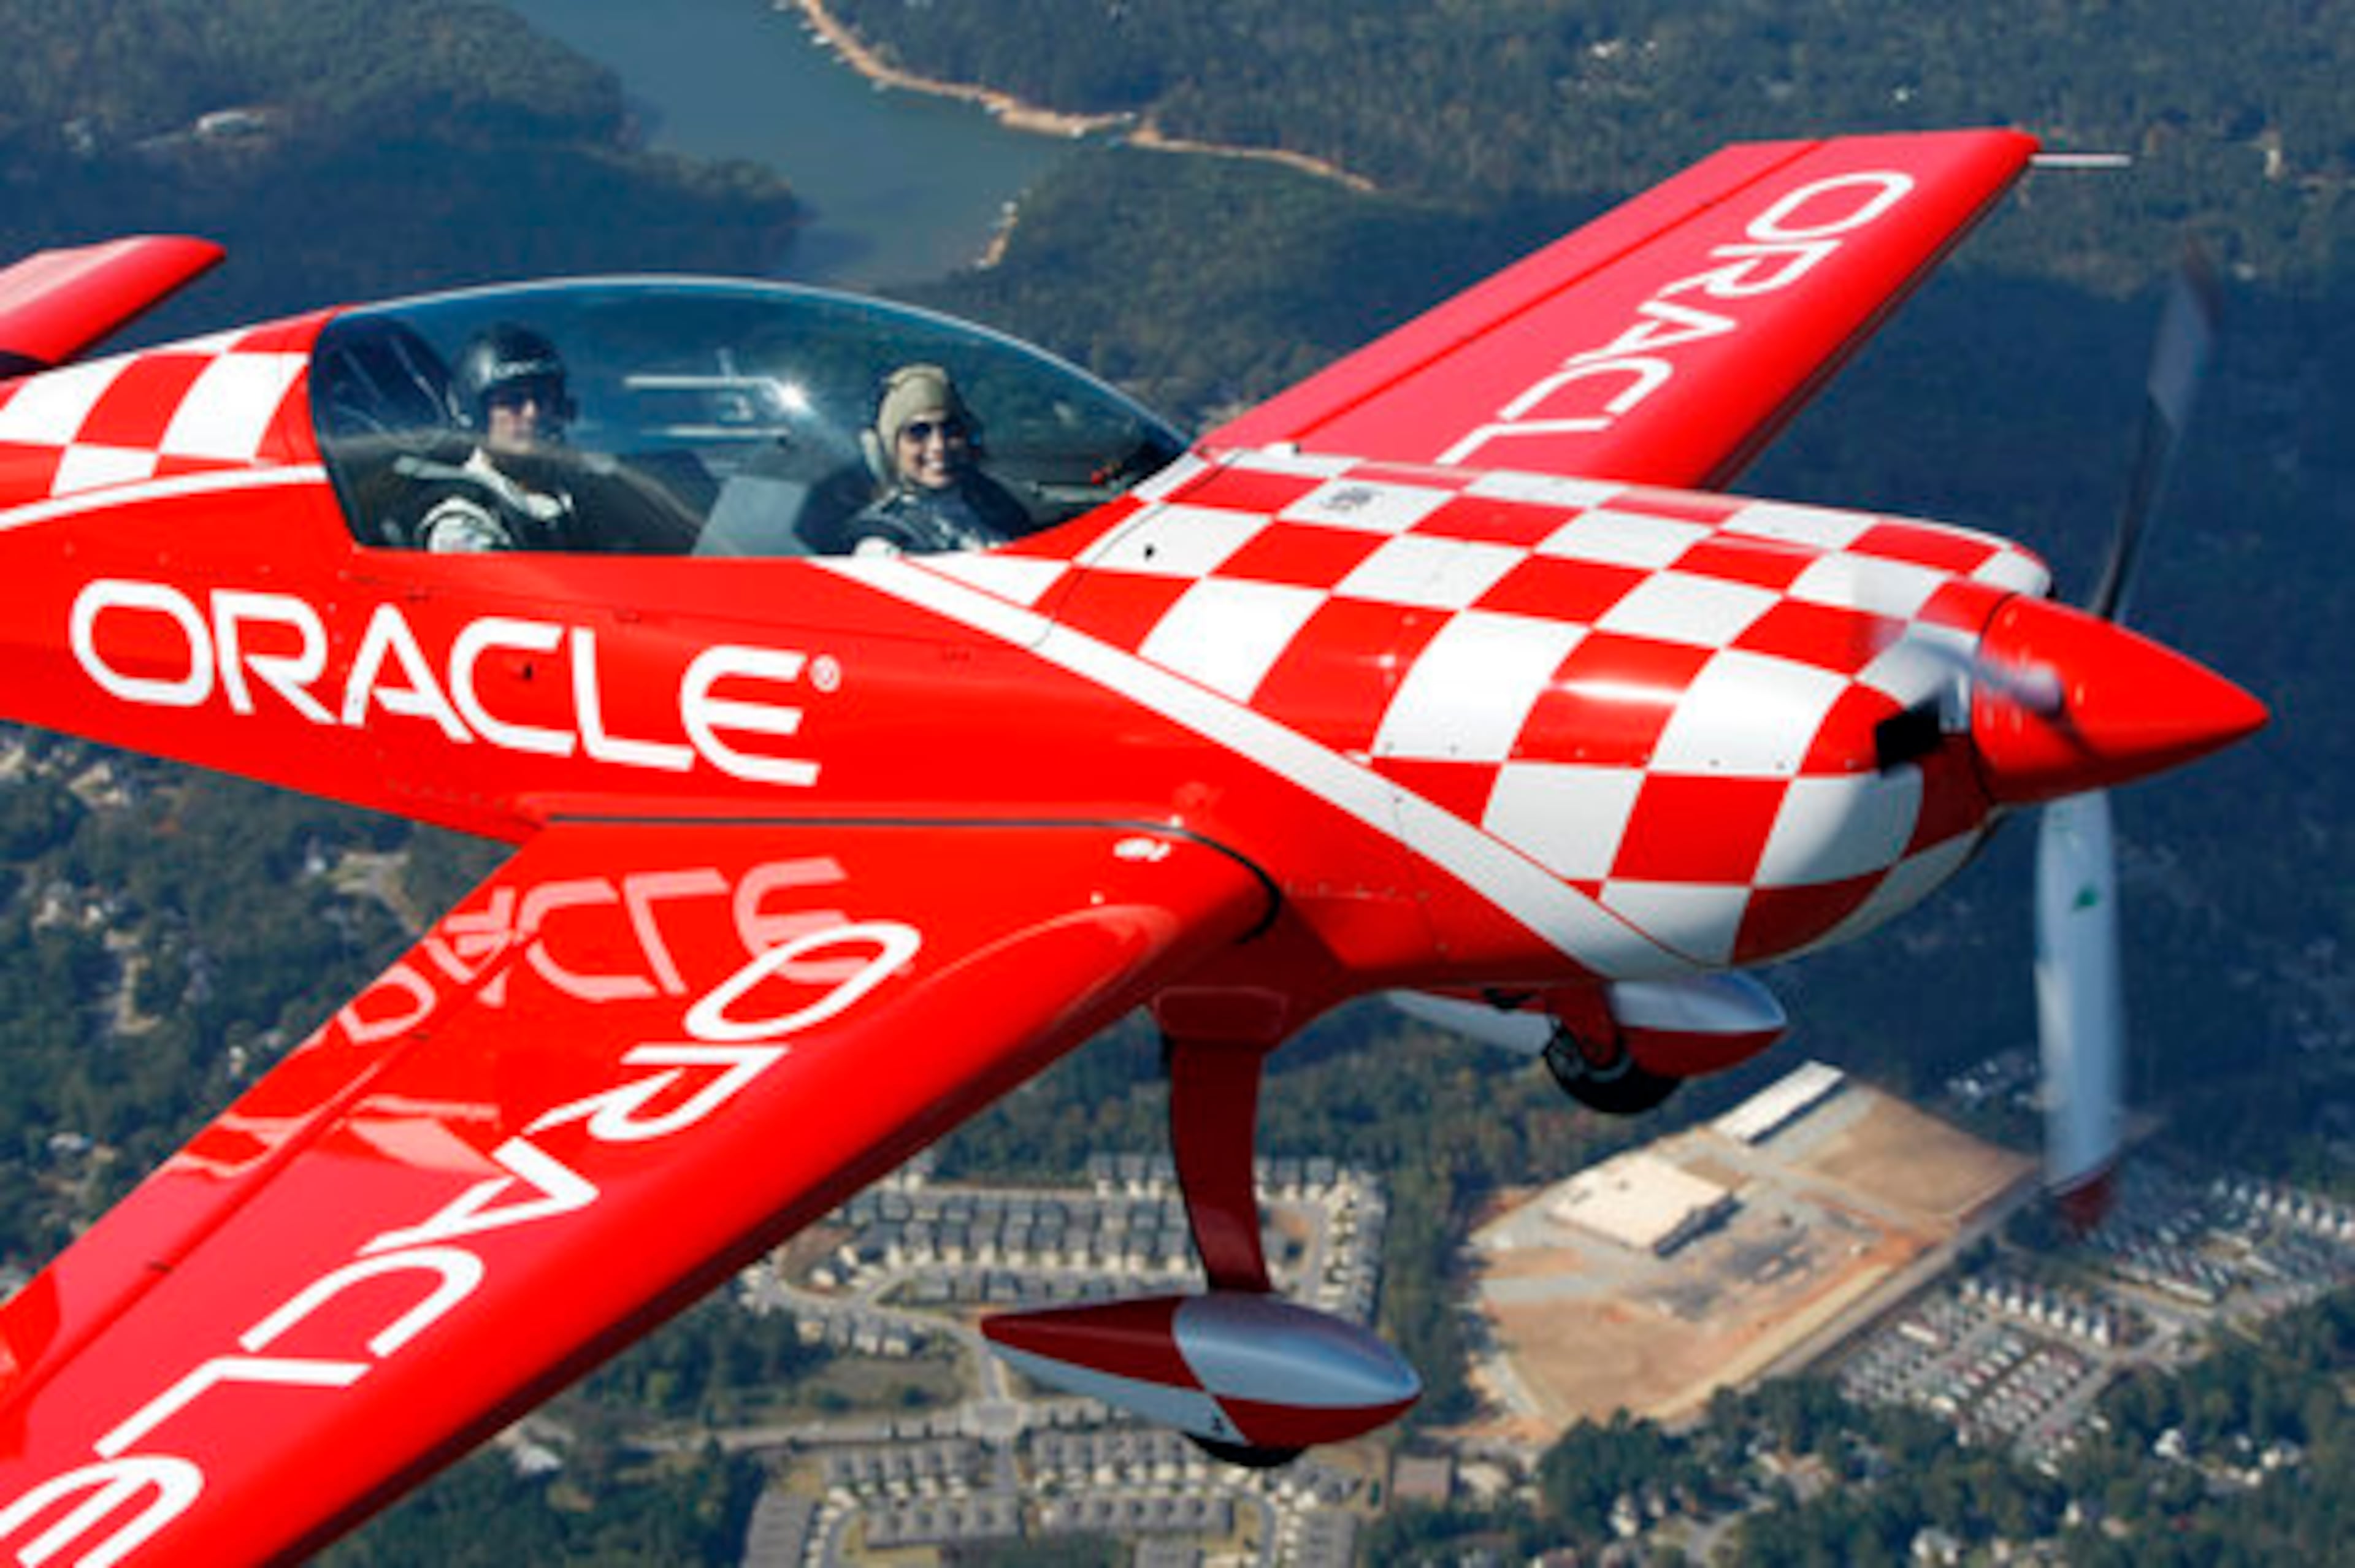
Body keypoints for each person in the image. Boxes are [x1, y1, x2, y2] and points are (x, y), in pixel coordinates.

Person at [415, 323, 581, 552]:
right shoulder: (463, 524)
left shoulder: (580, 492)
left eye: (543, 399)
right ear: (475, 415)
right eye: (513, 401)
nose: (532, 413)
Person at [843, 363, 1029, 556]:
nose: (939, 446)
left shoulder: (996, 507)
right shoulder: (882, 543)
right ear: (890, 448)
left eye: (951, 430)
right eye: (918, 432)